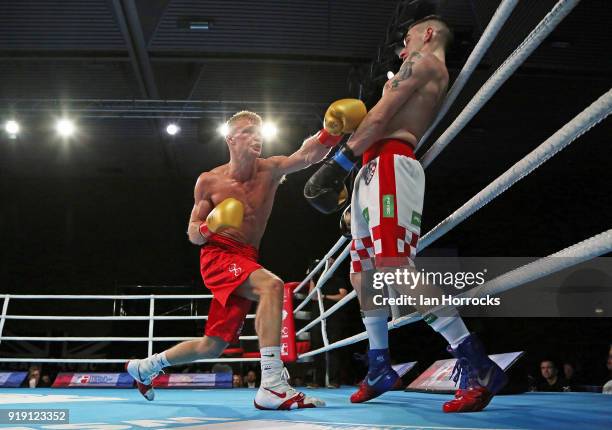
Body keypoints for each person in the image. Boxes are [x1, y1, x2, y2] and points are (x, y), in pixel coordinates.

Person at [304, 15, 506, 412]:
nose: (402, 46)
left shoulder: (423, 64)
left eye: (409, 36)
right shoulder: (412, 68)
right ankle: (380, 365)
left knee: (394, 265)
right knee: (361, 270)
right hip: (372, 170)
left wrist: (337, 164)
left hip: (392, 164)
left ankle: (476, 361)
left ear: (428, 34)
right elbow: (378, 118)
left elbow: (379, 119)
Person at [126, 105, 365, 410]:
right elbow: (192, 234)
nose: (257, 138)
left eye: (259, 132)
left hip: (246, 257)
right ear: (231, 139)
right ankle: (272, 386)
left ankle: (145, 367)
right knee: (271, 286)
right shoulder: (209, 181)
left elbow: (306, 155)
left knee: (213, 345)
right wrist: (210, 224)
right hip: (218, 254)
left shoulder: (270, 169)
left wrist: (330, 133)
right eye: (248, 132)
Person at [307, 257, 349, 388]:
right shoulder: (317, 279)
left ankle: (333, 380)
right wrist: (312, 276)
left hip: (334, 317)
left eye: (331, 262)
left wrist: (324, 296)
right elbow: (312, 296)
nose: (329, 264)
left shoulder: (339, 280)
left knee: (333, 348)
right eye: (327, 262)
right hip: (317, 316)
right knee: (317, 347)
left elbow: (343, 295)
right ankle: (318, 381)